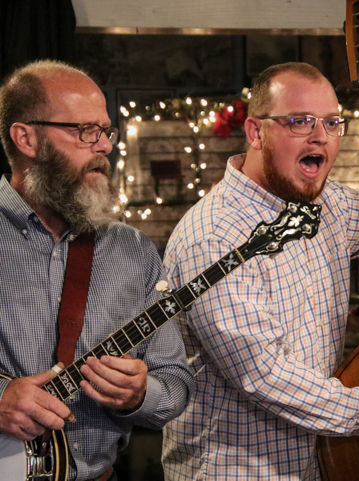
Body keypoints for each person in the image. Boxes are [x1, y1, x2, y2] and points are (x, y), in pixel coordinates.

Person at [161, 61, 359, 480]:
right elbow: (264, 374)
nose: (320, 137)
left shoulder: (330, 205)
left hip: (314, 466)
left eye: (332, 123)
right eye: (300, 122)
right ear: (256, 132)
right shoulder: (214, 234)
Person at [0, 60, 195, 481]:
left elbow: (176, 381)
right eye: (84, 131)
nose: (104, 146)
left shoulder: (133, 250)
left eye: (106, 131)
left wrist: (140, 395)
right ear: (26, 138)